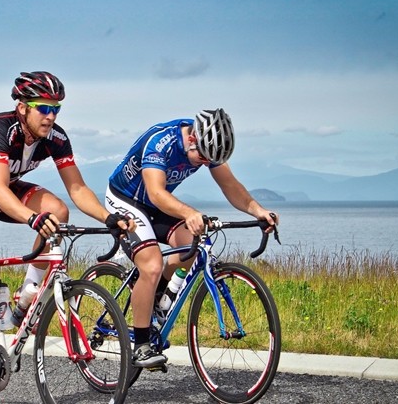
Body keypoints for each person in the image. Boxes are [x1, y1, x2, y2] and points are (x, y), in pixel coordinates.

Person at [0, 71, 135, 404]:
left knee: (59, 212)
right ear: (22, 107)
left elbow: (76, 188)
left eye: (56, 108)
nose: (50, 115)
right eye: (43, 108)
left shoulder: (55, 138)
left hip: (4, 189)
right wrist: (32, 218)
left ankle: (27, 292)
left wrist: (110, 217)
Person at [105, 108, 279, 368]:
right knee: (151, 265)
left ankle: (158, 301)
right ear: (191, 139)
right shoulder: (161, 141)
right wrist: (190, 212)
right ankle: (141, 345)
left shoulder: (208, 148)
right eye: (202, 158)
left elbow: (230, 186)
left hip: (157, 205)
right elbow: (155, 193)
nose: (204, 164)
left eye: (210, 162)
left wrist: (259, 210)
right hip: (126, 201)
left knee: (193, 246)